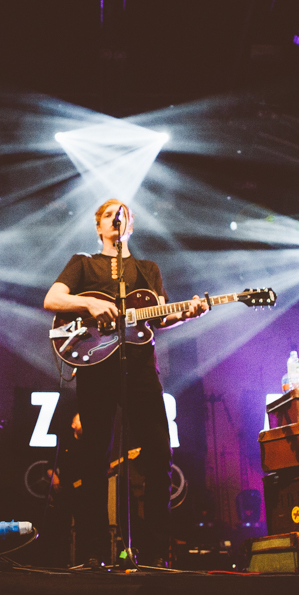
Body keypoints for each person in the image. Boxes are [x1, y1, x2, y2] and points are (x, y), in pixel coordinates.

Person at [43, 199, 208, 566]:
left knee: (158, 456)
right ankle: (92, 553)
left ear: (129, 227)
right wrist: (88, 303)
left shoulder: (147, 270)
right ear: (99, 226)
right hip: (96, 369)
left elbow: (161, 318)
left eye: (123, 216)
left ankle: (154, 555)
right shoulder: (83, 263)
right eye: (109, 215)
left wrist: (188, 313)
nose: (117, 220)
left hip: (140, 369)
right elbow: (53, 299)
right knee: (93, 459)